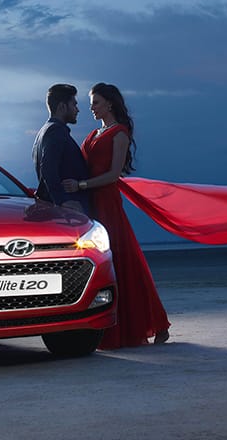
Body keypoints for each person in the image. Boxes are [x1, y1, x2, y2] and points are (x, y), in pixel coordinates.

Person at [62, 83, 170, 348]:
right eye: (91, 102)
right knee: (103, 262)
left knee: (122, 262)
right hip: (91, 203)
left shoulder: (119, 133)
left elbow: (113, 175)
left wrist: (81, 185)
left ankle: (154, 323)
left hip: (107, 202)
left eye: (96, 102)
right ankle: (105, 326)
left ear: (109, 103)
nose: (91, 107)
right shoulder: (94, 133)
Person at [33, 83, 93, 215]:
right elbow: (48, 167)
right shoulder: (55, 131)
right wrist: (62, 201)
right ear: (62, 106)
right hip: (67, 213)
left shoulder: (44, 132)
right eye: (74, 105)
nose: (77, 110)